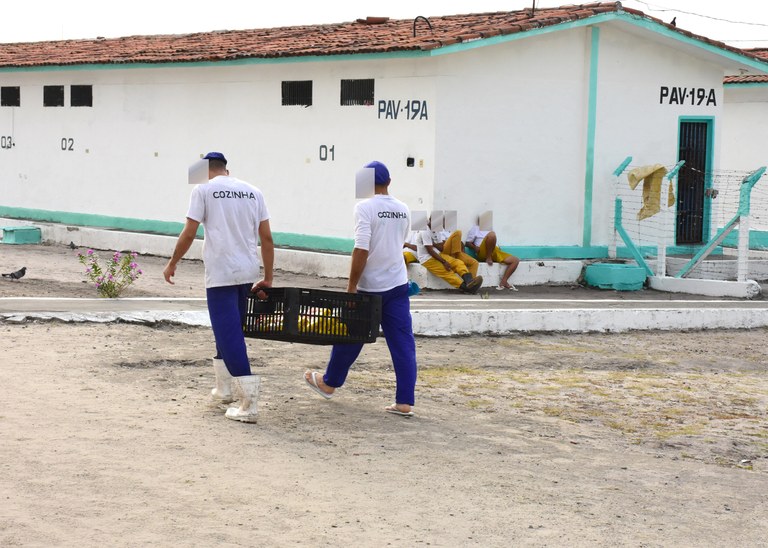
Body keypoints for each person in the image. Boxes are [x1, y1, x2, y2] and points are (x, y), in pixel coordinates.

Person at [163, 151, 274, 423]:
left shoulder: (203, 191)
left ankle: (249, 403)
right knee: (226, 329)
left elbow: (189, 232)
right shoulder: (253, 191)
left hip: (221, 271)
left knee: (228, 333)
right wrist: (268, 276)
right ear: (226, 169)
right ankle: (224, 389)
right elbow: (267, 238)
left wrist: (172, 262)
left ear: (204, 170)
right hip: (247, 270)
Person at [303, 161, 418, 417]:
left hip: (371, 287)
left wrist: (352, 285)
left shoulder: (364, 208)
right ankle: (405, 401)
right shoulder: (403, 209)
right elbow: (401, 243)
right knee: (403, 344)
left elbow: (361, 248)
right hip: (397, 283)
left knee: (350, 335)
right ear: (389, 182)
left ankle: (329, 383)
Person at [416, 222, 483, 294]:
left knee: (458, 262)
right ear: (430, 220)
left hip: (438, 254)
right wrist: (444, 262)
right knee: (447, 272)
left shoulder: (436, 231)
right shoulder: (425, 231)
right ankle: (466, 288)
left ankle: (469, 281)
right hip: (427, 259)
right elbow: (430, 251)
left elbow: (441, 248)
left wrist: (434, 244)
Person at [465, 222, 519, 290]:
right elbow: (467, 243)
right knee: (492, 235)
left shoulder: (490, 228)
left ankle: (504, 282)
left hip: (494, 250)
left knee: (515, 260)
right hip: (482, 251)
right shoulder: (475, 228)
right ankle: (488, 257)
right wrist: (475, 247)